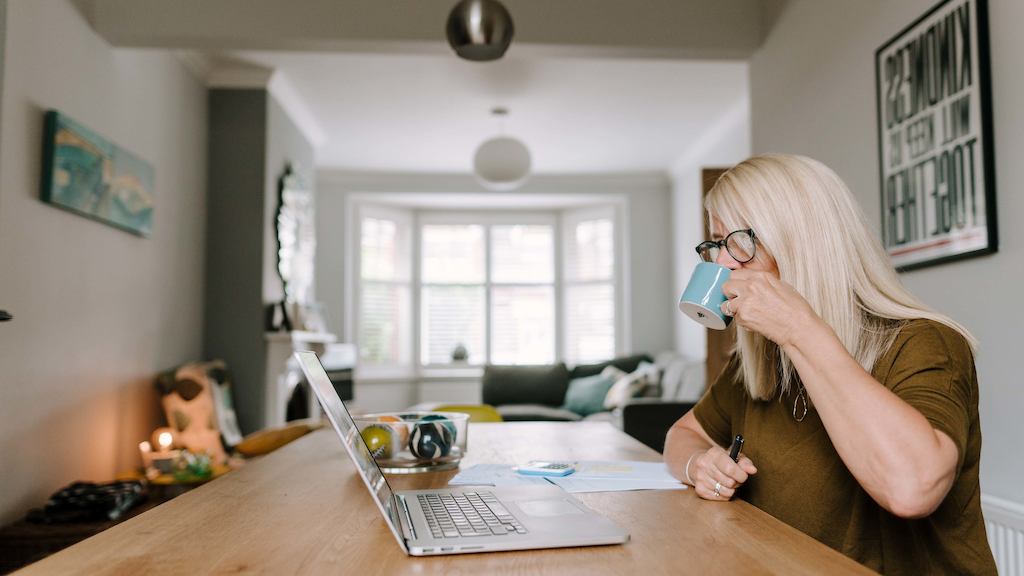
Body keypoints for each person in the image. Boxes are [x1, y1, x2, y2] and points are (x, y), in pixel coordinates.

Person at [664, 154, 997, 575]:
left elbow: (912, 489)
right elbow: (683, 434)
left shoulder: (925, 343)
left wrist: (801, 330)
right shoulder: (762, 358)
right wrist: (699, 465)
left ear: (803, 242)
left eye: (739, 241)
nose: (722, 263)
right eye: (715, 244)